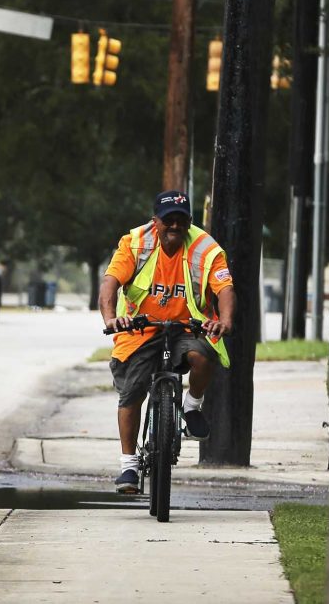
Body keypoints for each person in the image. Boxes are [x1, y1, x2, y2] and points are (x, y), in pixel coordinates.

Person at [98, 190, 236, 493]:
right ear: (155, 221)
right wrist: (111, 318)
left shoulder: (206, 248)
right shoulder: (134, 243)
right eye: (168, 220)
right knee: (133, 391)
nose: (174, 226)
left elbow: (225, 288)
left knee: (202, 357)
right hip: (141, 328)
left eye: (181, 220)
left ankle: (191, 406)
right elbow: (110, 283)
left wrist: (223, 320)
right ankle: (129, 467)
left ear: (189, 223)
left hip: (188, 326)